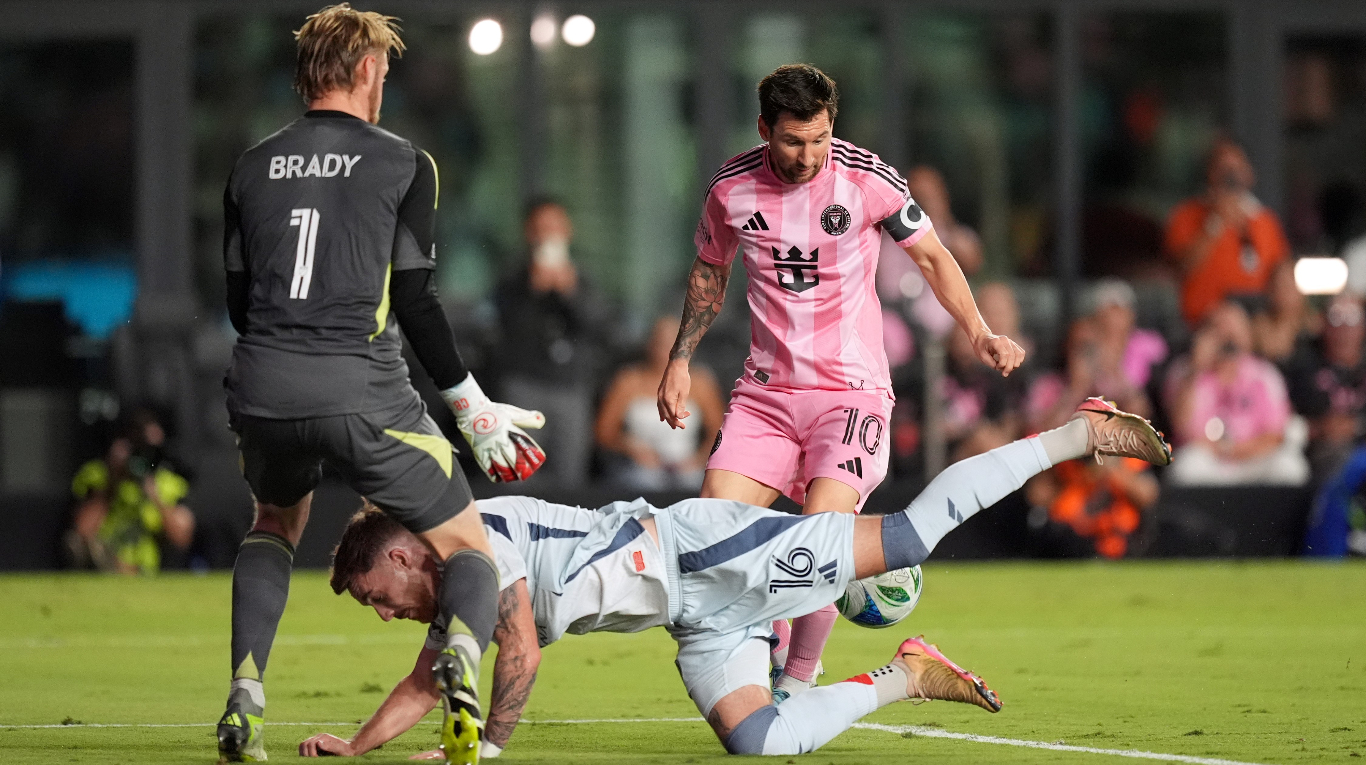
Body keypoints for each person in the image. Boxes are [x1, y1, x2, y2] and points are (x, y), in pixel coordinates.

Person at [298, 399, 1170, 758]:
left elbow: (519, 646)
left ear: (404, 555)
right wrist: (356, 746)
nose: (385, 613)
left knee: (906, 537)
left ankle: (1075, 433)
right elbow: (425, 680)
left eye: (378, 595)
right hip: (695, 618)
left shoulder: (478, 541)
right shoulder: (450, 592)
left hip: (702, 552)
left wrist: (487, 744)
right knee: (756, 741)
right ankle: (906, 674)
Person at [216, 6, 546, 762]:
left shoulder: (249, 166)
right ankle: (459, 657)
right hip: (363, 390)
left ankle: (244, 695)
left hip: (263, 386)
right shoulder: (404, 162)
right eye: (385, 71)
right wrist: (470, 405)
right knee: (468, 547)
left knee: (273, 523)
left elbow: (239, 302)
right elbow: (418, 300)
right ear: (367, 68)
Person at [656, 63, 1025, 702]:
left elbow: (933, 256)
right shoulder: (730, 188)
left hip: (850, 395)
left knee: (819, 536)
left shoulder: (867, 179)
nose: (809, 156)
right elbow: (710, 272)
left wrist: (979, 332)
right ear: (764, 129)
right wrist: (680, 359)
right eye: (793, 141)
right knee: (714, 528)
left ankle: (797, 680)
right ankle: (770, 640)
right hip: (766, 397)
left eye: (820, 139)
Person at [494, 198, 618, 488]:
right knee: (517, 476)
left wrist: (570, 291)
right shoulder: (513, 278)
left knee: (569, 479)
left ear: (567, 231)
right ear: (528, 233)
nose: (548, 235)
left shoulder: (584, 277)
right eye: (541, 228)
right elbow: (503, 325)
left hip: (571, 388)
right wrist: (533, 289)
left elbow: (602, 326)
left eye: (555, 227)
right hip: (524, 385)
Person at [1163, 301, 1309, 486]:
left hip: (1255, 459)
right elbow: (1181, 429)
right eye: (1219, 329)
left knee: (1290, 467)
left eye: (1234, 330)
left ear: (1248, 336)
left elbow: (1276, 435)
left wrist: (1234, 451)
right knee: (1185, 467)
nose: (1228, 338)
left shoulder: (1265, 375)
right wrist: (1196, 369)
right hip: (1211, 462)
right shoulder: (1186, 372)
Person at [1165, 138, 1291, 327]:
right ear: (1209, 174)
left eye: (1237, 168)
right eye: (1223, 169)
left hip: (1256, 323)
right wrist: (1216, 221)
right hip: (1201, 322)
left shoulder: (1265, 221)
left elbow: (1281, 276)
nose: (1231, 177)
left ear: (1249, 173)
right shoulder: (1185, 215)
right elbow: (1183, 267)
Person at [596, 316, 724, 491]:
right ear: (650, 344)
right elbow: (604, 433)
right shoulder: (628, 381)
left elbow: (719, 432)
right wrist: (631, 449)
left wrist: (698, 459)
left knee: (698, 485)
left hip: (687, 467)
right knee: (643, 482)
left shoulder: (702, 383)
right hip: (638, 467)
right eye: (662, 343)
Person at [66, 408, 194, 574]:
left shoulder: (167, 482)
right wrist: (112, 482)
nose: (144, 456)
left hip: (148, 569)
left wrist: (155, 497)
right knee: (78, 544)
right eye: (139, 447)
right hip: (103, 563)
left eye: (152, 450)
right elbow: (82, 531)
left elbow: (182, 539)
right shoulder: (98, 475)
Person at [1286, 294, 1366, 480]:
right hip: (1322, 450)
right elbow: (1282, 419)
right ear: (1324, 325)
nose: (1344, 329)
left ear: (1363, 327)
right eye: (1336, 319)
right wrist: (1320, 428)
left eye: (1352, 319)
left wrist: (1356, 426)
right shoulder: (1302, 367)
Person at [1253, 260, 1321, 367]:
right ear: (1271, 290)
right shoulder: (1258, 328)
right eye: (1280, 284)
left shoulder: (1314, 328)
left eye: (1290, 285)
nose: (1285, 291)